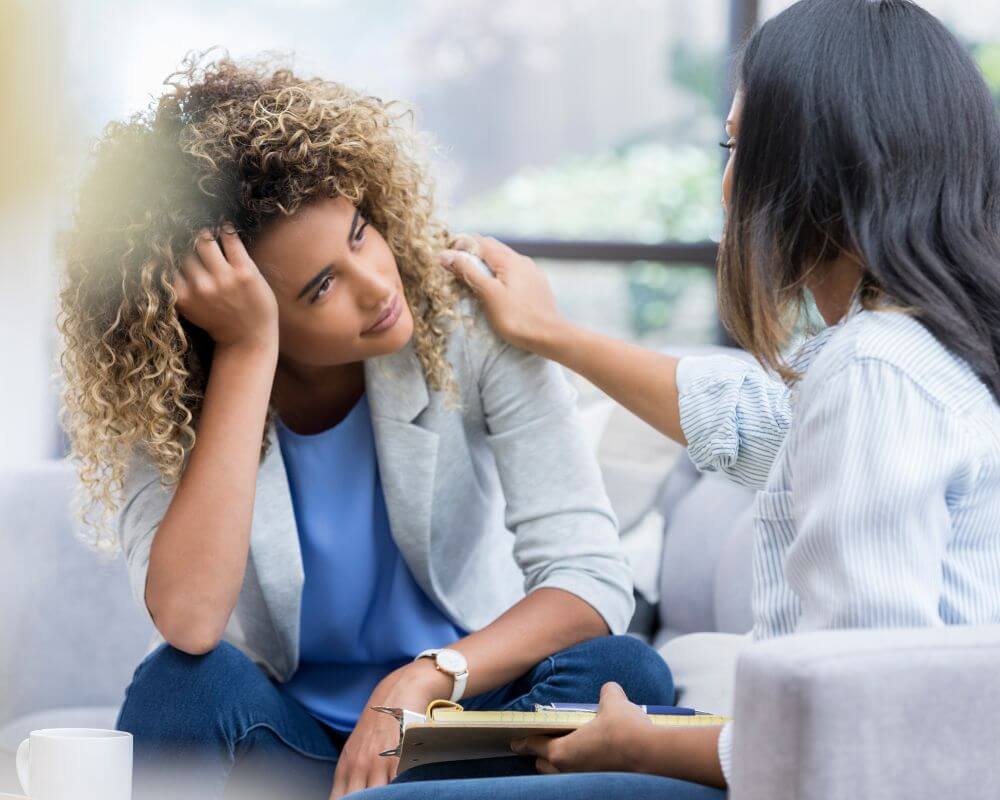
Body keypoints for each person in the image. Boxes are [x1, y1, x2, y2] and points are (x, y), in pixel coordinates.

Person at [354, 0, 1000, 797]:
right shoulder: (909, 357)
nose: (728, 185)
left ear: (820, 167)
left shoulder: (877, 373)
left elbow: (857, 721)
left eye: (739, 146)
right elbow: (758, 428)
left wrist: (642, 747)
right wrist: (551, 334)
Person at [55, 51, 676, 800]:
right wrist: (249, 352)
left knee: (625, 672)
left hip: (460, 727)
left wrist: (428, 675)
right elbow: (188, 622)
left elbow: (589, 575)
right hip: (290, 740)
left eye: (359, 233)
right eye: (321, 287)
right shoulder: (164, 393)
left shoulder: (469, 323)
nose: (378, 284)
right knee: (178, 685)